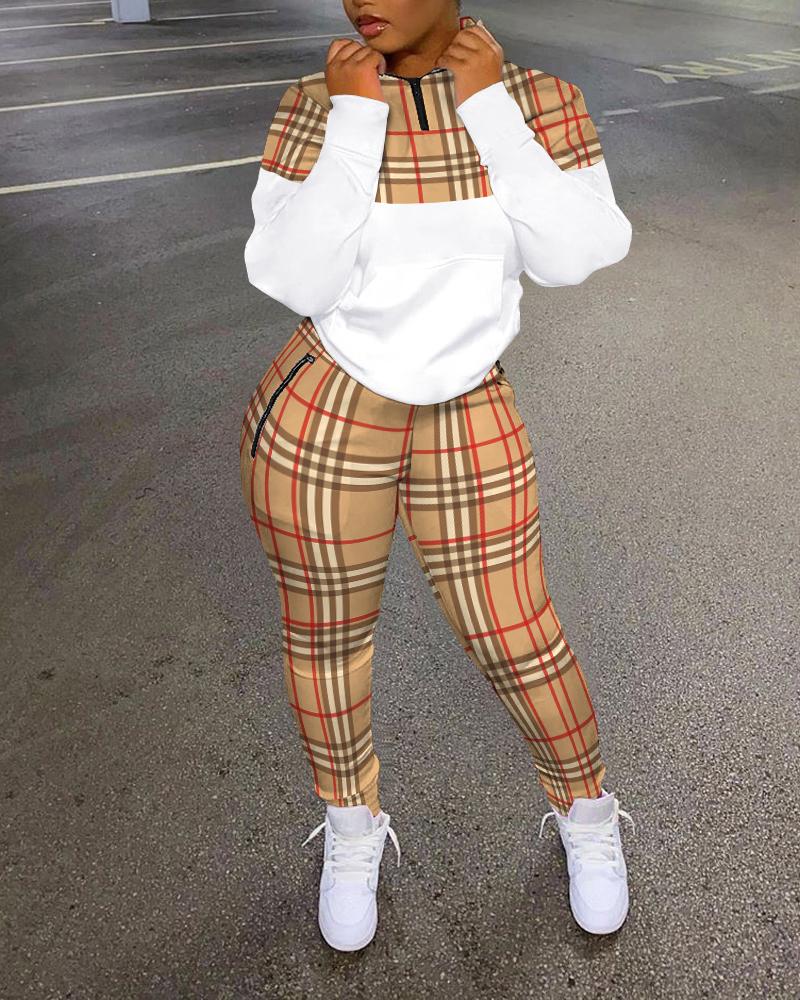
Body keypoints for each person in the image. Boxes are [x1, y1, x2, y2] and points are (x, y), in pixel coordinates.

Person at [239, 1, 636, 951]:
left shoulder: (540, 99)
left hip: (466, 401)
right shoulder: (314, 103)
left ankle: (587, 814)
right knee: (327, 641)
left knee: (519, 636)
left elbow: (579, 254)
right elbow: (292, 278)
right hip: (325, 410)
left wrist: (491, 107)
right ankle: (351, 828)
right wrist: (354, 117)